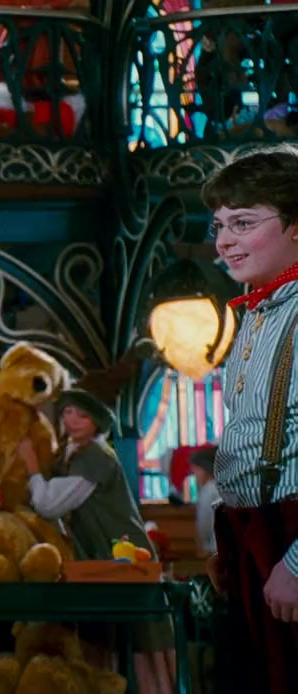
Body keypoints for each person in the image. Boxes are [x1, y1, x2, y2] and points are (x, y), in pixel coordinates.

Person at [201, 146, 298, 694]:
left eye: (242, 223)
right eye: (219, 225)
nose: (223, 240)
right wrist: (233, 545)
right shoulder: (257, 314)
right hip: (254, 540)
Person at [18, 389, 176, 694]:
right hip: (98, 558)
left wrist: (32, 467)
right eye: (68, 412)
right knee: (102, 634)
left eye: (83, 415)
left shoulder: (94, 457)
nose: (73, 420)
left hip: (125, 556)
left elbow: (49, 504)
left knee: (143, 638)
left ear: (96, 422)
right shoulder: (71, 452)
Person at [190, 445, 220, 555]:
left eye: (196, 470)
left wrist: (203, 544)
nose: (195, 474)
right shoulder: (224, 486)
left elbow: (204, 524)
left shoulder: (208, 491)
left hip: (215, 548)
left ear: (205, 469)